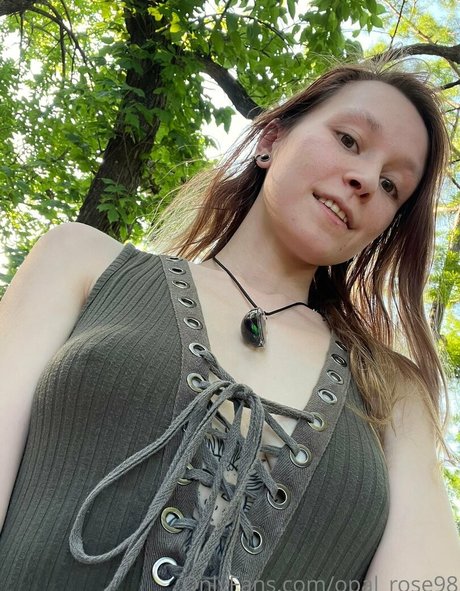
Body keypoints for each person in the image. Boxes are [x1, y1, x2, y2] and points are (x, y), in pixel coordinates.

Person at [0, 57, 459, 591]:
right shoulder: (82, 262)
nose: (364, 181)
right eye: (349, 140)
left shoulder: (394, 390)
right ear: (271, 139)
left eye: (390, 185)